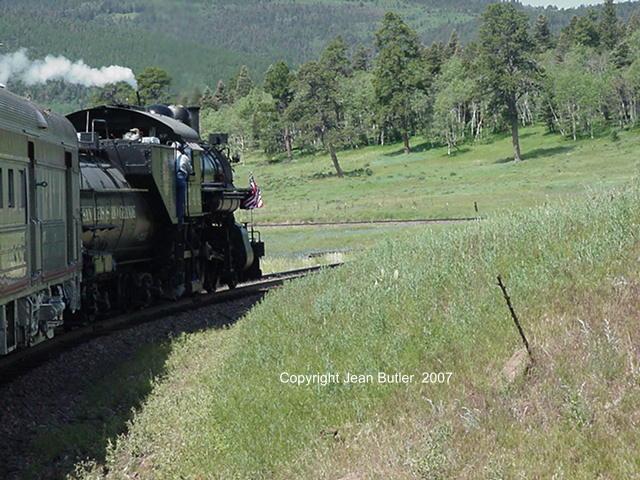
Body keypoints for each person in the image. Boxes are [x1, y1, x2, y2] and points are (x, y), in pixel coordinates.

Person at [174, 142, 193, 223]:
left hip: (171, 177)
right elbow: (190, 170)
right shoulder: (184, 157)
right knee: (181, 199)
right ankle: (180, 218)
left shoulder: (171, 156)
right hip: (181, 176)